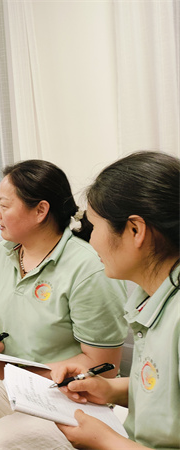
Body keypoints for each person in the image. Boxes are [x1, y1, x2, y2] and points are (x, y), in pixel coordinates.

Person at [0, 160, 129, 450]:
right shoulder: (4, 254)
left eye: (4, 205)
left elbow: (104, 367)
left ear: (40, 210)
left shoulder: (87, 267)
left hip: (65, 394)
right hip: (9, 384)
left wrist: (9, 371)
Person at [52, 151, 179, 449]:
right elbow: (164, 391)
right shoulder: (152, 296)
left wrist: (106, 441)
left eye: (95, 227)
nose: (91, 240)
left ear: (135, 230)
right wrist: (109, 390)